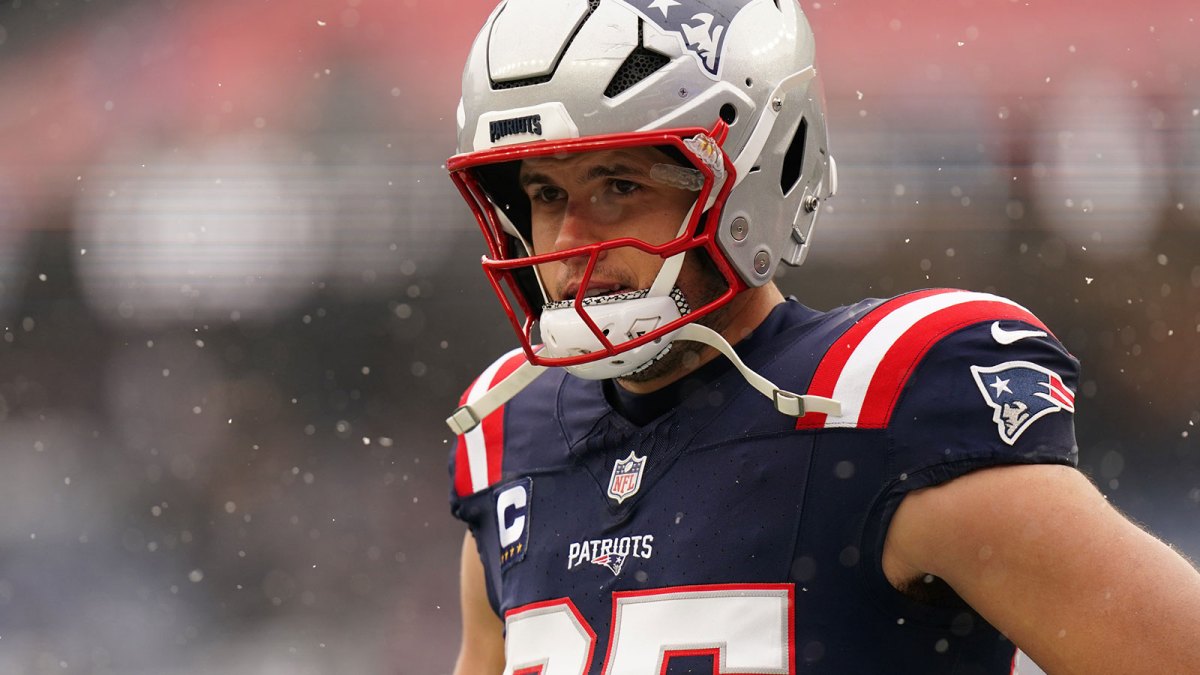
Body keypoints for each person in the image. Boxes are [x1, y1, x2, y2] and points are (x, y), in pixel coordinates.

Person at [442, 1, 1200, 673]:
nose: (571, 240)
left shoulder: (886, 405)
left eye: (620, 186)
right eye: (545, 193)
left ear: (752, 175)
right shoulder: (512, 437)